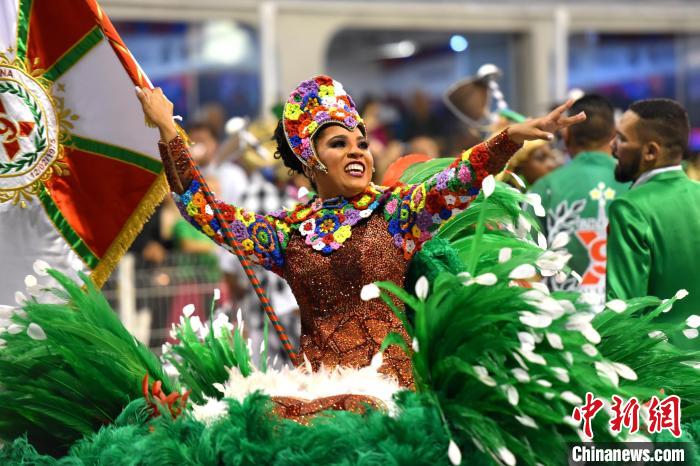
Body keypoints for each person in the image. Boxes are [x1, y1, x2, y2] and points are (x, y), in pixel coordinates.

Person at [136, 75, 585, 388]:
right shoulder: (288, 233)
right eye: (339, 143)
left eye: (362, 144)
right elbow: (205, 210)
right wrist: (168, 131)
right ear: (310, 159)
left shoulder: (396, 212)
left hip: (391, 399)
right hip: (312, 397)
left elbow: (456, 182)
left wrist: (509, 138)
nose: (357, 152)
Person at [607, 98, 700, 348]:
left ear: (650, 152)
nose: (612, 146)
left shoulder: (629, 208)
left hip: (662, 364)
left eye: (621, 139)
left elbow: (623, 312)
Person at [529, 95, 629, 306]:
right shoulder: (635, 184)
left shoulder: (545, 188)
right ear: (614, 136)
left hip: (562, 318)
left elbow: (527, 264)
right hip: (627, 318)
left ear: (567, 137)